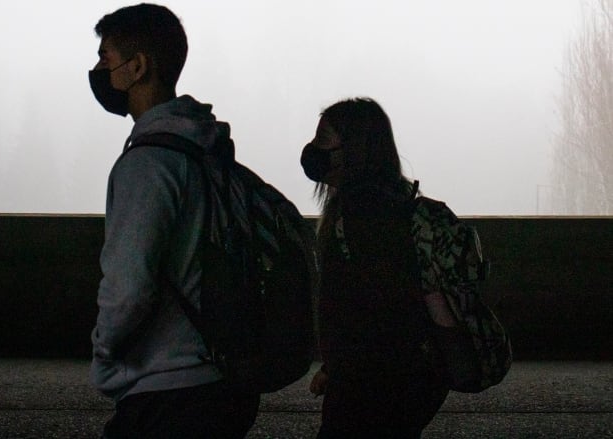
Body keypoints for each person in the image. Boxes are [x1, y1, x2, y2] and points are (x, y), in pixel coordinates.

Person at [87, 4, 260, 438]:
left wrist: (104, 349)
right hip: (224, 379)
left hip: (168, 389)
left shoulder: (147, 164)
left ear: (138, 66)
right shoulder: (209, 152)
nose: (99, 71)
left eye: (106, 59)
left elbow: (129, 284)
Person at [302, 97, 460, 438]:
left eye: (322, 141)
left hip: (373, 386)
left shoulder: (364, 212)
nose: (313, 150)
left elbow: (372, 305)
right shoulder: (392, 201)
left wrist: (344, 369)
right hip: (395, 381)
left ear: (354, 149)